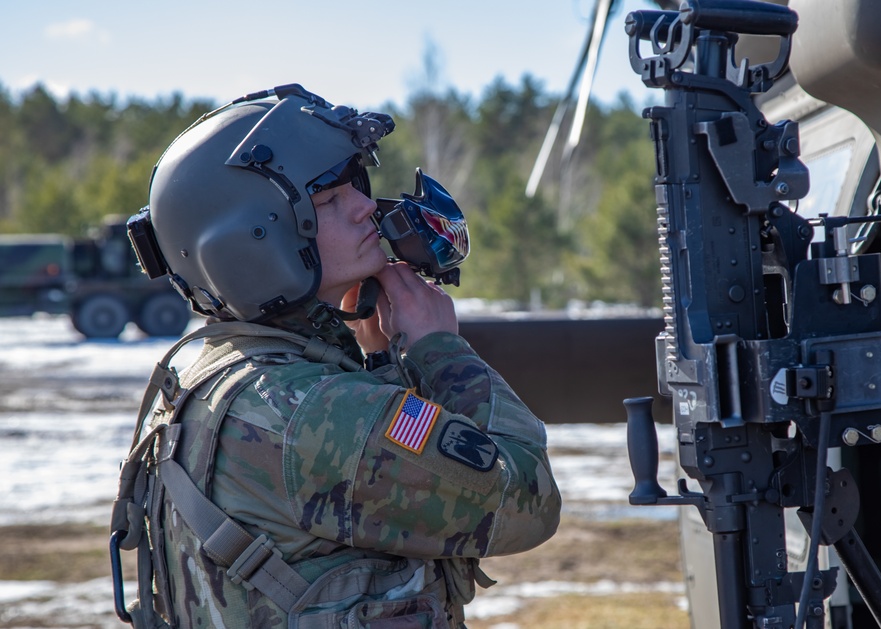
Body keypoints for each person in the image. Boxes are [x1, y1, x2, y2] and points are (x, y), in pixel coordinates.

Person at [111, 84, 561, 628]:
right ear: (251, 243)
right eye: (327, 200)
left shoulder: (209, 373)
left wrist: (380, 361)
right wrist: (440, 351)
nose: (366, 207)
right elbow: (526, 501)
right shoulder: (313, 409)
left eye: (355, 185)